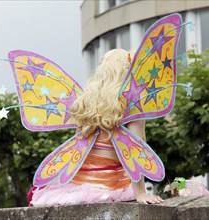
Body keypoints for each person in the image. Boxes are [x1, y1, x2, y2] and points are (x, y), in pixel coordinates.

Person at [28, 49, 164, 206]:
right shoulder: (132, 105)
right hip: (111, 185)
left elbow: (82, 147)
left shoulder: (84, 102)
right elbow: (135, 151)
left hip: (77, 185)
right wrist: (140, 193)